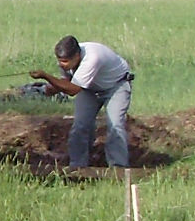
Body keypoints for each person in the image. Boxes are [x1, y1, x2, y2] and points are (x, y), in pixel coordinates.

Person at [31, 35, 134, 170]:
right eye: (60, 61)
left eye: (65, 61)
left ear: (77, 56)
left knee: (115, 125)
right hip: (89, 88)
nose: (62, 64)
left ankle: (118, 168)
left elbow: (73, 90)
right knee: (80, 125)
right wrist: (49, 89)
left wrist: (46, 76)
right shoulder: (66, 60)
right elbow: (67, 81)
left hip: (116, 85)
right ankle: (77, 167)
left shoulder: (92, 58)